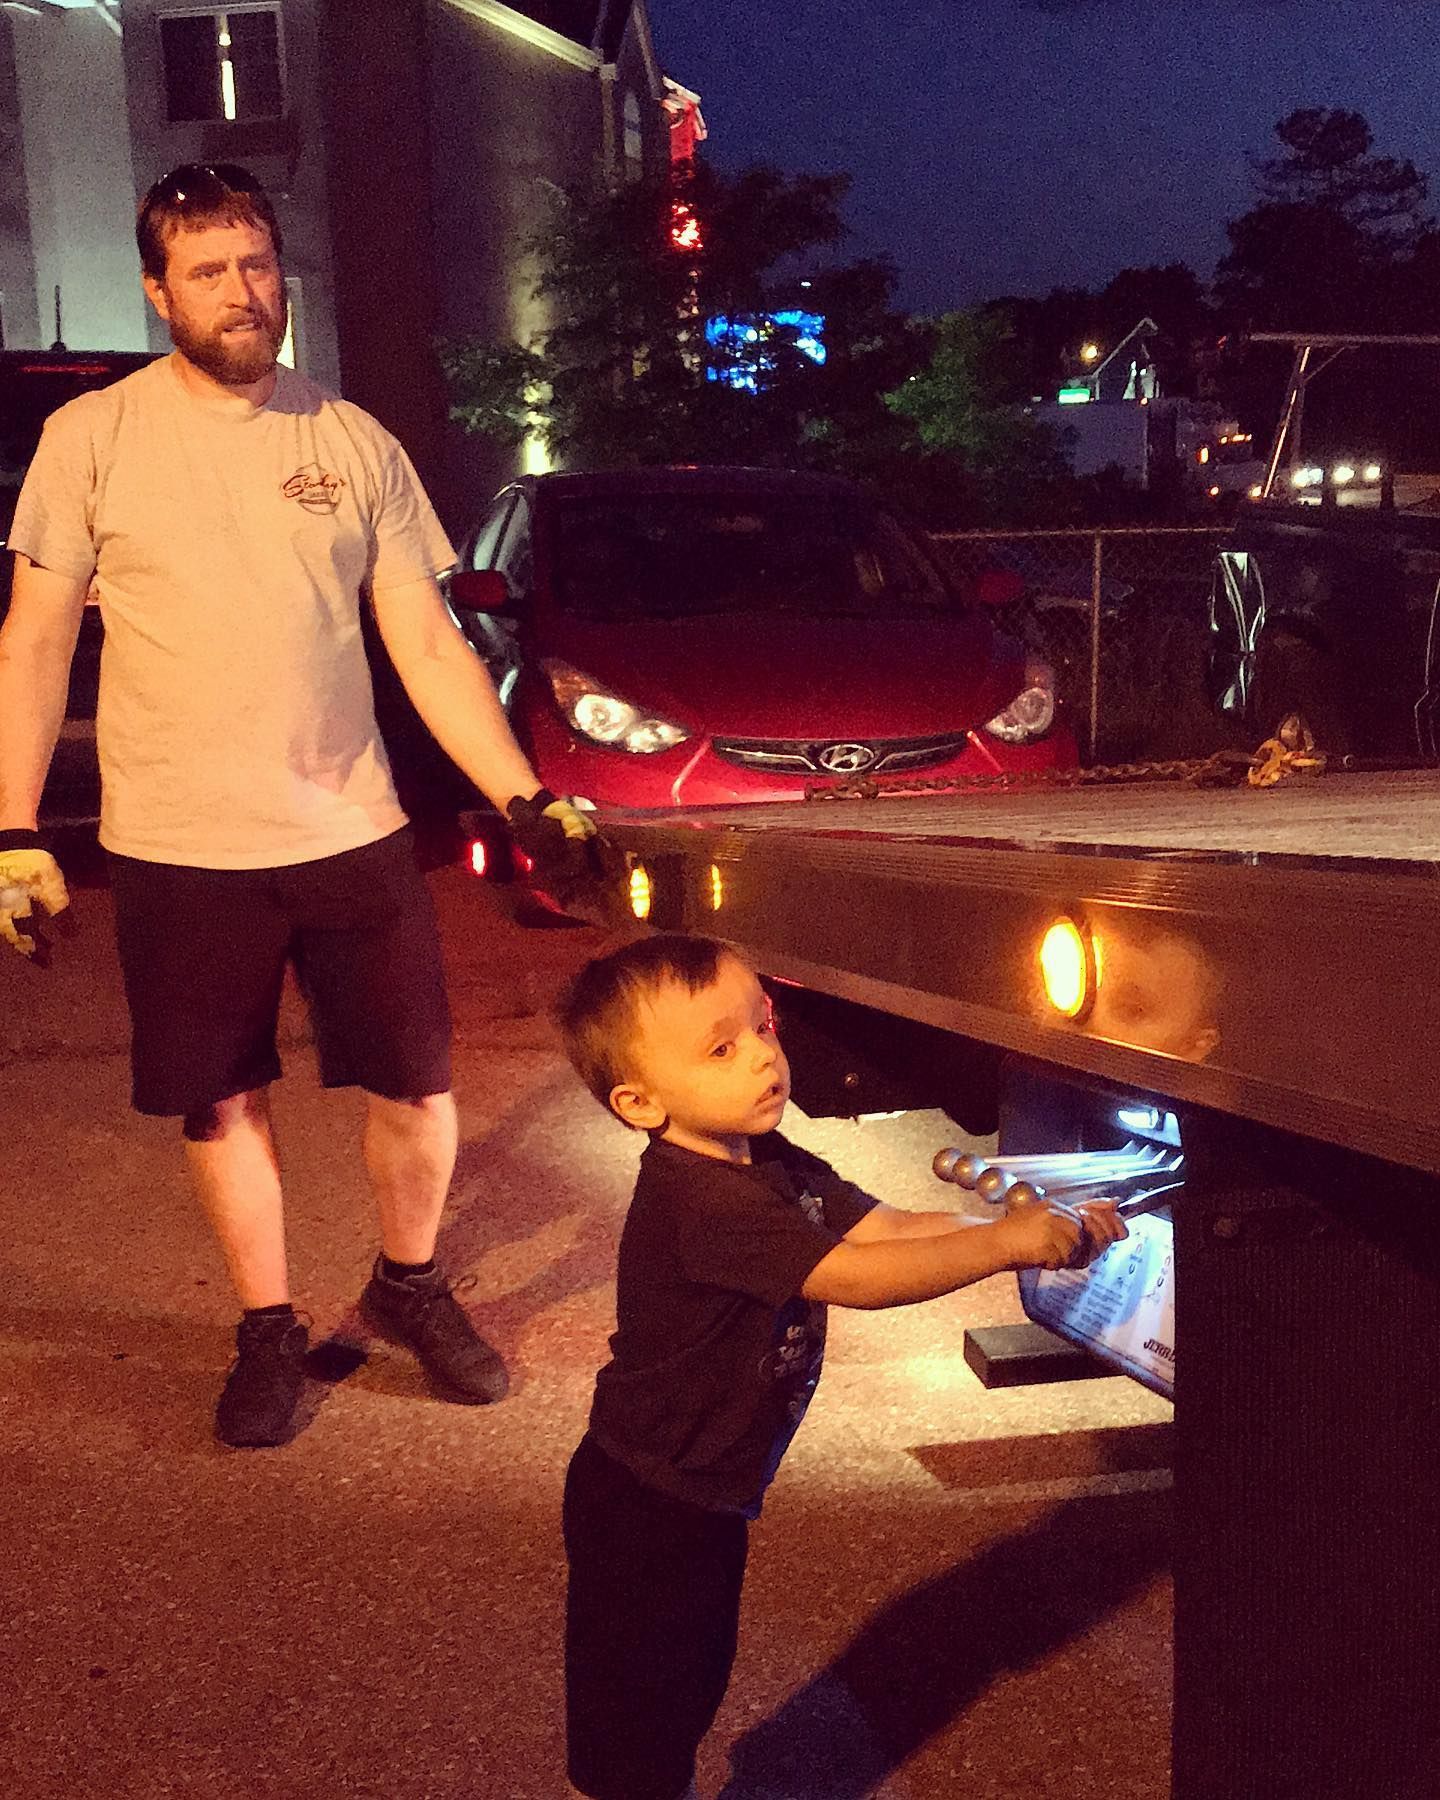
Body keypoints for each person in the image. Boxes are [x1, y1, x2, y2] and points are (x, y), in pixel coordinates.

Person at [0, 162, 599, 1449]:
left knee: (420, 1089)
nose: (241, 292)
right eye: (207, 270)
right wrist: (12, 831)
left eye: (257, 263)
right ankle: (267, 1327)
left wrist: (527, 796)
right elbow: (35, 640)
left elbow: (427, 645)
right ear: (158, 291)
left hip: (351, 829)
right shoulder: (91, 438)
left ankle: (410, 1284)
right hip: (176, 845)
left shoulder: (351, 439)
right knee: (220, 1101)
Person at [554, 933, 1128, 1800]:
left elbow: (884, 1227)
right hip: (646, 1501)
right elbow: (857, 1277)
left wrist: (1024, 1227)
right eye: (720, 1049)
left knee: (691, 1677)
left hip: (704, 1490)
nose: (762, 1057)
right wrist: (1005, 1245)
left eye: (762, 1027)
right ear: (639, 1103)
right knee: (639, 1704)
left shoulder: (765, 1162)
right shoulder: (700, 1202)